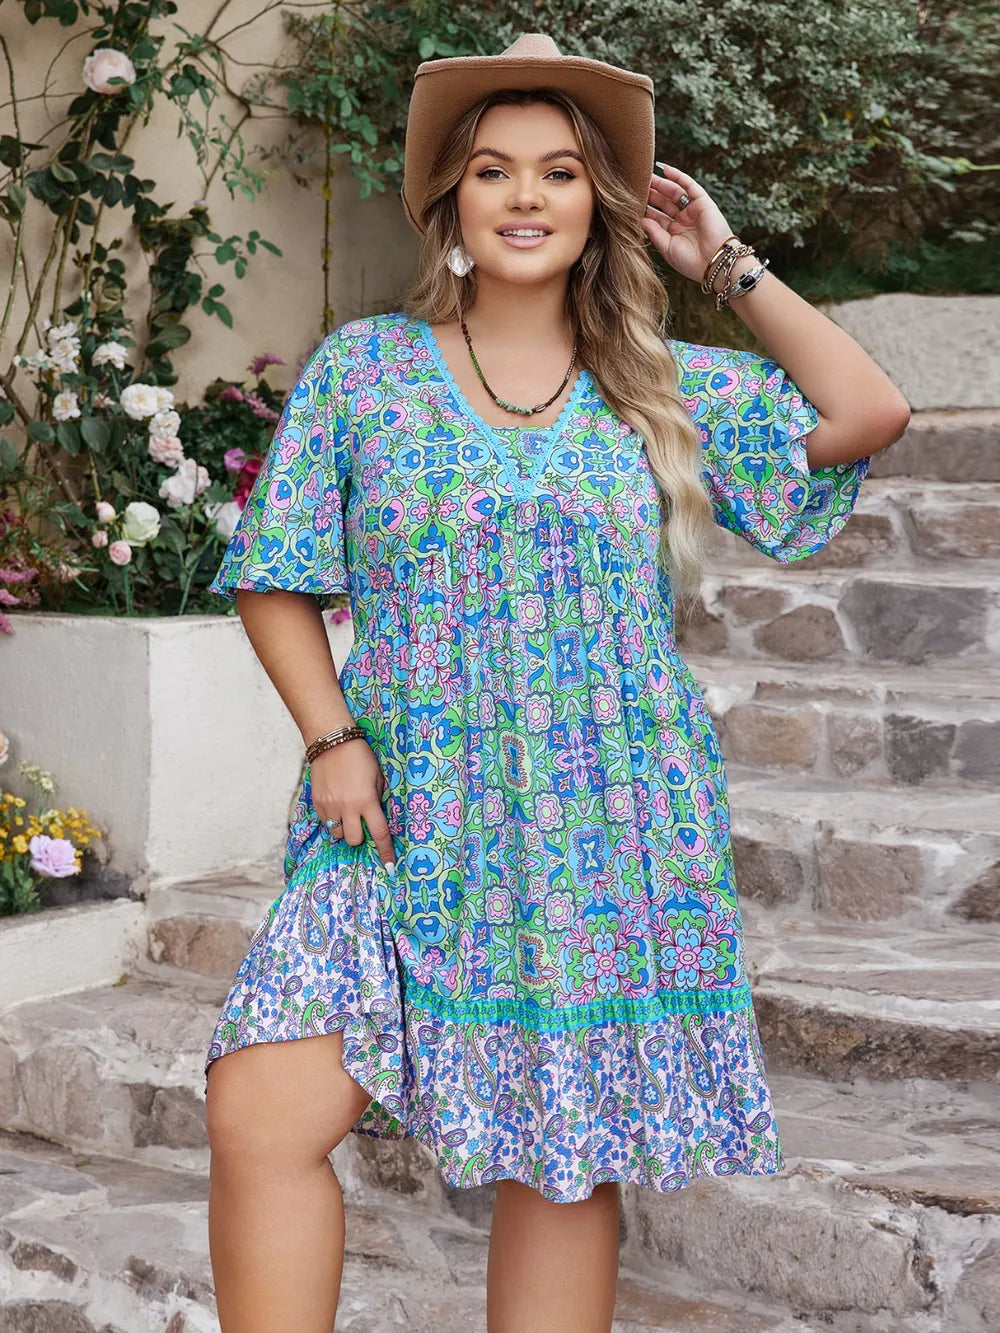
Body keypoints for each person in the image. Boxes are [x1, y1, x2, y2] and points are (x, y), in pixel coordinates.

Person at [202, 32, 910, 1333]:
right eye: (493, 169)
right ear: (451, 203)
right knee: (259, 1113)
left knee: (565, 1152)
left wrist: (725, 264)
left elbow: (868, 413)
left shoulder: (660, 389)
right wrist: (330, 737)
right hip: (399, 812)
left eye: (560, 173)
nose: (525, 196)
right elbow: (275, 573)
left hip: (602, 828)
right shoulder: (366, 371)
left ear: (600, 208)